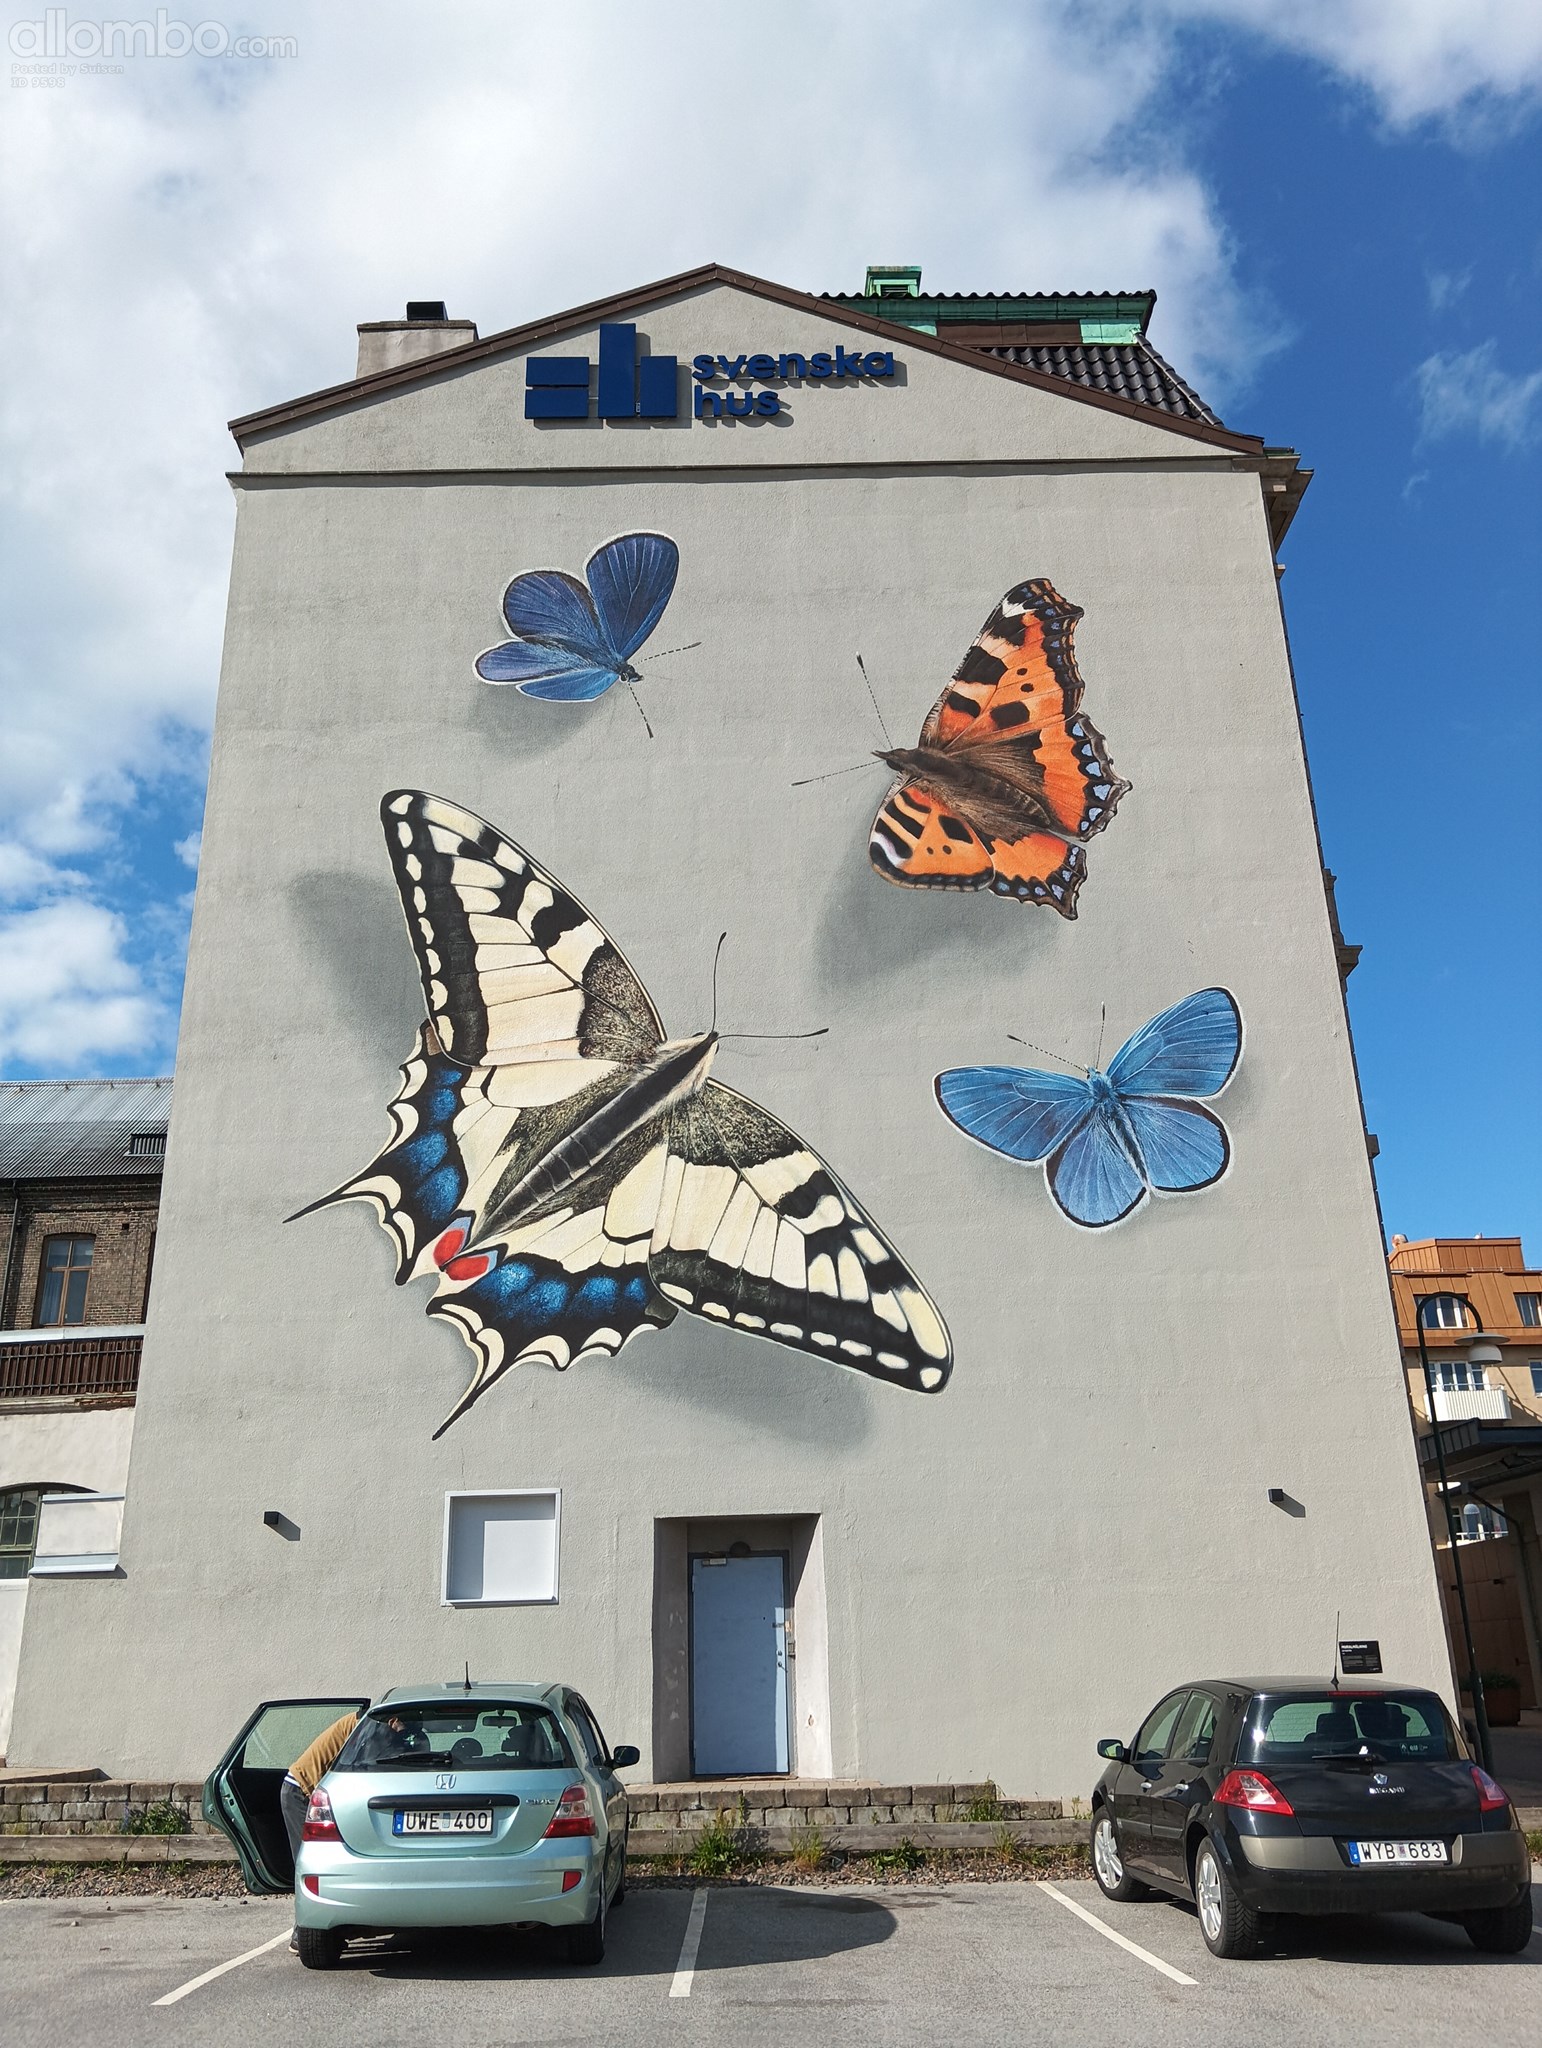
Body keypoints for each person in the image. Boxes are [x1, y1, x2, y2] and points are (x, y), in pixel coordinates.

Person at [281, 1711, 359, 1952]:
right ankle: (302, 1932)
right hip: (299, 1792)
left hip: (308, 1791)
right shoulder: (358, 1727)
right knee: (309, 1865)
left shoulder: (362, 1723)